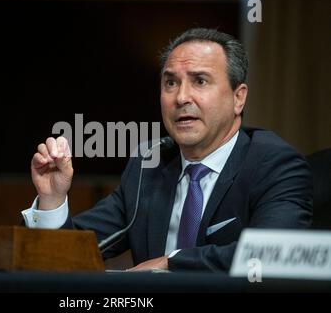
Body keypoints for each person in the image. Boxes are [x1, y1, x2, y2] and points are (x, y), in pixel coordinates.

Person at [21, 28, 313, 272]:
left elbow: (274, 254)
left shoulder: (274, 165)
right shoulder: (150, 166)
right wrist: (53, 200)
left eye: (200, 81)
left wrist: (170, 263)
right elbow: (70, 257)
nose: (181, 97)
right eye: (170, 83)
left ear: (239, 98)